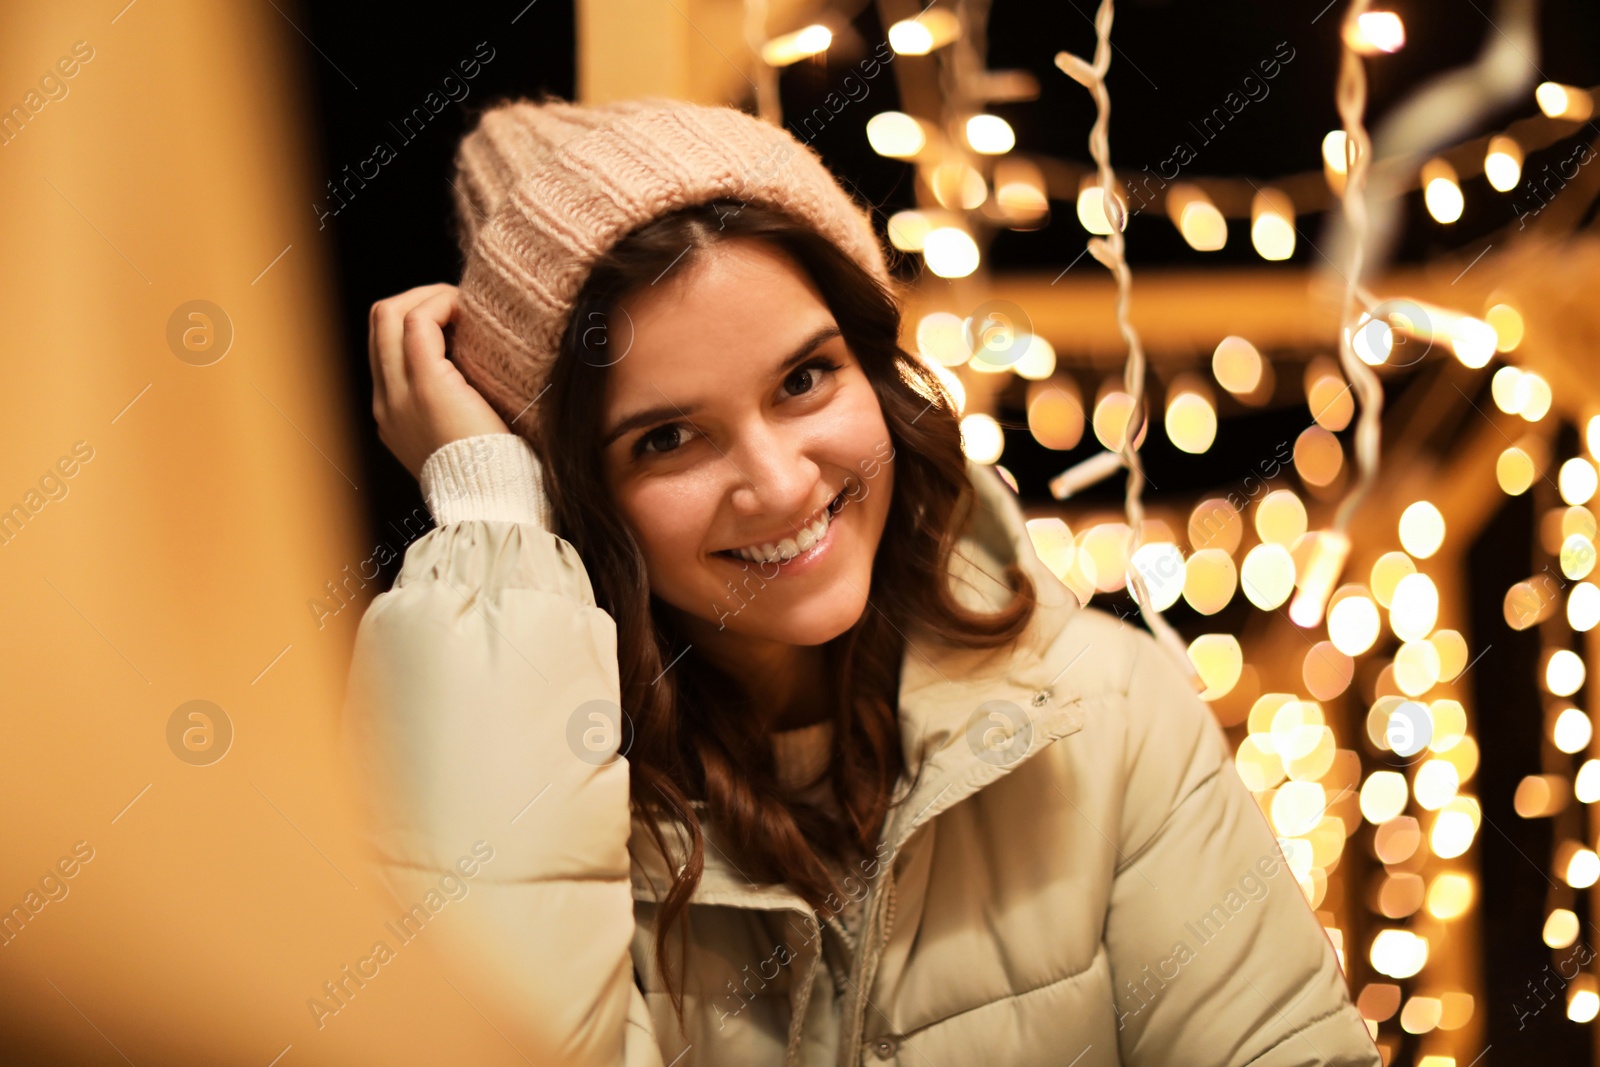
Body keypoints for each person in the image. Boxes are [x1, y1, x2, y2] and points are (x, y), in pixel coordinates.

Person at [341, 94, 1381, 1066]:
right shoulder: (523, 785)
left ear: (875, 367)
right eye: (667, 437)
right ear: (572, 489)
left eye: (804, 377)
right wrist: (487, 521)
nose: (779, 482)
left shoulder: (1106, 712)